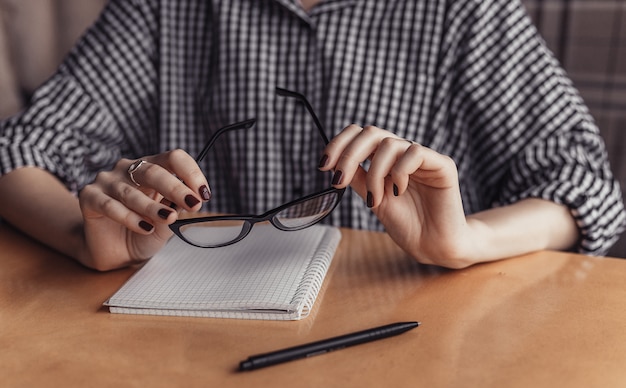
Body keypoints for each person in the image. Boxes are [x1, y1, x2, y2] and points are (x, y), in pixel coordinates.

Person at [0, 0, 624, 271]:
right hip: (188, 346)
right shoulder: (166, 7)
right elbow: (21, 150)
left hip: (411, 339)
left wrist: (466, 240)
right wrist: (89, 237)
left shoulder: (461, 11)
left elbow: (581, 184)